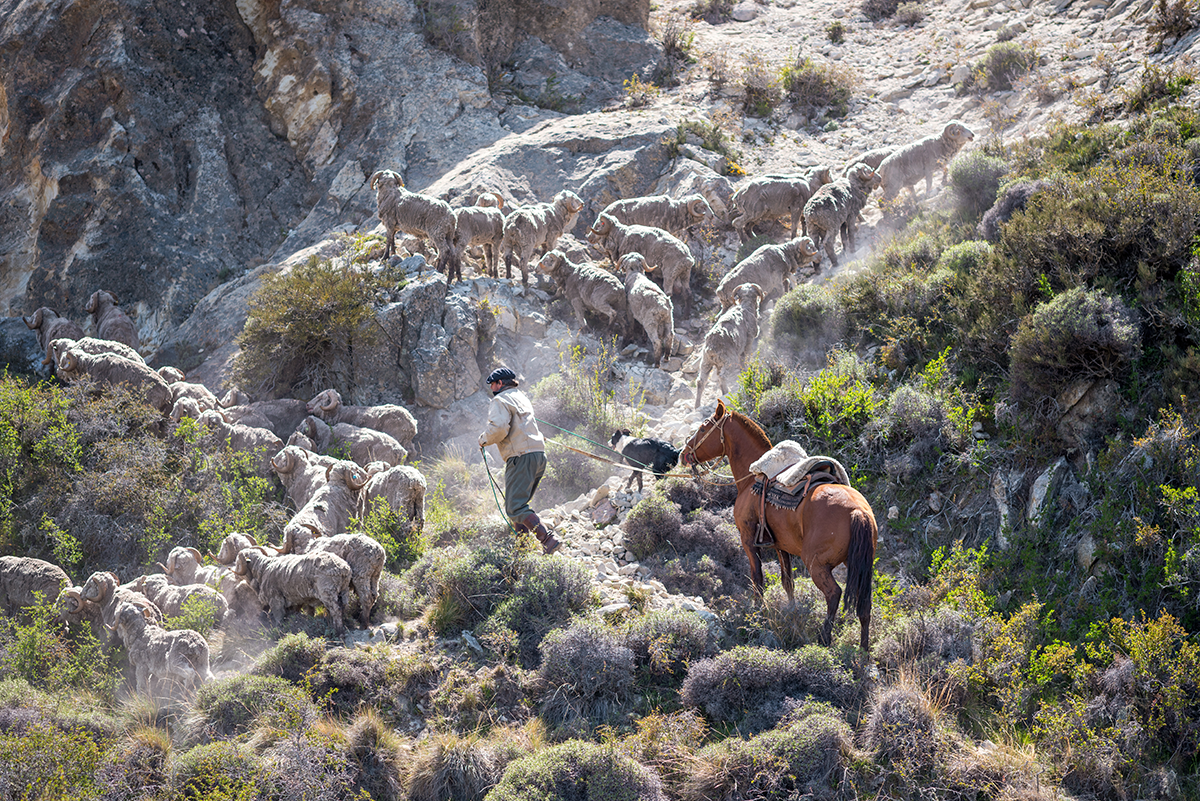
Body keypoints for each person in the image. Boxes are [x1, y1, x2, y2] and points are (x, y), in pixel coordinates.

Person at [478, 367, 560, 554]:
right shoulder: (522, 398)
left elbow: (498, 428)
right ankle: (521, 550)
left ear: (500, 383)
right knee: (519, 506)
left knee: (515, 506)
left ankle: (548, 540)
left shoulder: (500, 399)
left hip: (521, 456)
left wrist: (483, 439)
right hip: (538, 455)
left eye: (493, 384)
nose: (491, 388)